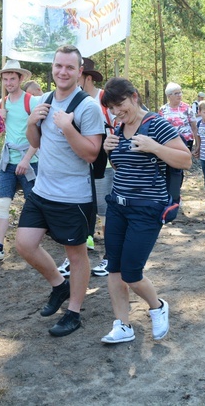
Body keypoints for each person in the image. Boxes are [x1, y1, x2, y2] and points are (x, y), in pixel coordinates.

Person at [15, 44, 105, 337]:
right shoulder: (44, 99)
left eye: (69, 67)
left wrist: (69, 128)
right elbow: (37, 141)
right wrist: (31, 122)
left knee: (77, 255)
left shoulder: (87, 107)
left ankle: (74, 312)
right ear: (52, 69)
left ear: (79, 72)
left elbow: (91, 154)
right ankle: (59, 285)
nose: (63, 72)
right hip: (42, 191)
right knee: (24, 245)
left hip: (73, 197)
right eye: (58, 66)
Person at [99, 78, 190, 343]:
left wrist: (155, 147)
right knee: (113, 269)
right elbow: (124, 169)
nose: (117, 111)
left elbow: (185, 160)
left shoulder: (157, 124)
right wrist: (108, 151)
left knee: (131, 272)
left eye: (120, 104)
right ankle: (122, 325)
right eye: (112, 108)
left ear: (134, 97)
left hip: (147, 209)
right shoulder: (117, 126)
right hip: (118, 205)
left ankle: (157, 307)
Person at [56, 57, 114, 278]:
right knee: (81, 214)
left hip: (104, 165)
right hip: (78, 166)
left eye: (76, 73)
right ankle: (74, 259)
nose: (69, 76)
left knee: (104, 213)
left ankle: (110, 257)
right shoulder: (71, 100)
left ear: (86, 77)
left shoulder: (102, 99)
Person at [0, 61, 39, 261]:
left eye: (13, 78)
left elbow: (40, 136)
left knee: (36, 203)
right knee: (2, 201)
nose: (9, 82)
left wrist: (26, 160)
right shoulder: (0, 104)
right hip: (8, 161)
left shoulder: (32, 102)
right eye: (5, 79)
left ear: (21, 79)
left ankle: (42, 240)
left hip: (31, 160)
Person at [159, 82, 197, 150]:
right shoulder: (163, 110)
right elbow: (160, 128)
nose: (179, 95)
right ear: (169, 96)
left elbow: (194, 127)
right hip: (169, 141)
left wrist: (197, 143)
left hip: (186, 141)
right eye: (176, 93)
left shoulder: (187, 108)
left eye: (180, 93)